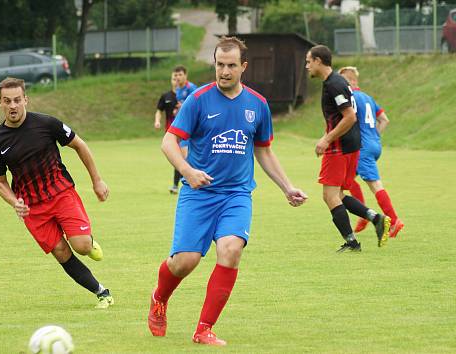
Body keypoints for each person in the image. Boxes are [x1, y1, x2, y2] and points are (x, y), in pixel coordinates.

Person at [147, 36, 308, 346]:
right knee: (185, 262)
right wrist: (188, 171)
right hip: (199, 194)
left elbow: (264, 151)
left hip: (236, 195)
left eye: (231, 65)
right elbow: (169, 142)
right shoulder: (198, 100)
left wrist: (288, 188)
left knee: (231, 250)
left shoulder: (258, 105)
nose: (224, 71)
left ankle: (203, 329)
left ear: (243, 67)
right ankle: (159, 298)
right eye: (220, 64)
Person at [0, 77, 114, 309]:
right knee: (61, 252)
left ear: (25, 99)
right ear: (0, 103)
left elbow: (80, 145)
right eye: (7, 101)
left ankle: (89, 242)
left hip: (61, 193)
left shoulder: (47, 124)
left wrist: (97, 180)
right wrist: (15, 202)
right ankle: (102, 292)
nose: (13, 105)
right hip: (32, 209)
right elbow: (0, 182)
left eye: (17, 100)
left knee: (82, 247)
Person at [305, 45, 391, 252]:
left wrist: (327, 139)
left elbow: (350, 116)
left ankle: (352, 242)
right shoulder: (337, 82)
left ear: (318, 61)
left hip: (339, 147)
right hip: (351, 145)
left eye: (308, 61)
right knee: (339, 195)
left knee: (330, 196)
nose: (307, 66)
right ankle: (376, 218)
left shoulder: (334, 84)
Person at [338, 66, 404, 238]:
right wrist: (375, 136)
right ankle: (364, 217)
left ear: (352, 81)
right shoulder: (368, 98)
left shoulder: (351, 98)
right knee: (346, 180)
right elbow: (384, 120)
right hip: (374, 144)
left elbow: (348, 119)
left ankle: (394, 220)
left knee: (375, 185)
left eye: (344, 81)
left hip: (363, 148)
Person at [154, 75, 182, 194]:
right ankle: (177, 185)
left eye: (178, 78)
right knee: (178, 157)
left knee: (183, 158)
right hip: (171, 133)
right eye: (174, 79)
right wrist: (157, 121)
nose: (176, 81)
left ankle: (180, 184)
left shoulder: (187, 96)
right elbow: (159, 111)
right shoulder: (166, 96)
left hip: (186, 133)